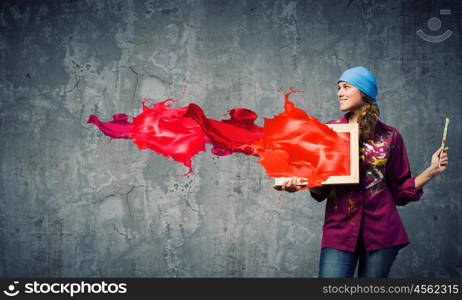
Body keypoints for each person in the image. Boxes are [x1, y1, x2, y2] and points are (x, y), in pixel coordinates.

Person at [277, 66, 449, 278]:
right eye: (339, 88)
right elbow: (319, 189)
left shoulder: (390, 137)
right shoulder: (327, 133)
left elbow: (400, 192)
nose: (339, 93)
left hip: (382, 232)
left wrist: (431, 171)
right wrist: (301, 183)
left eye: (346, 87)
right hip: (339, 230)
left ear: (364, 93)